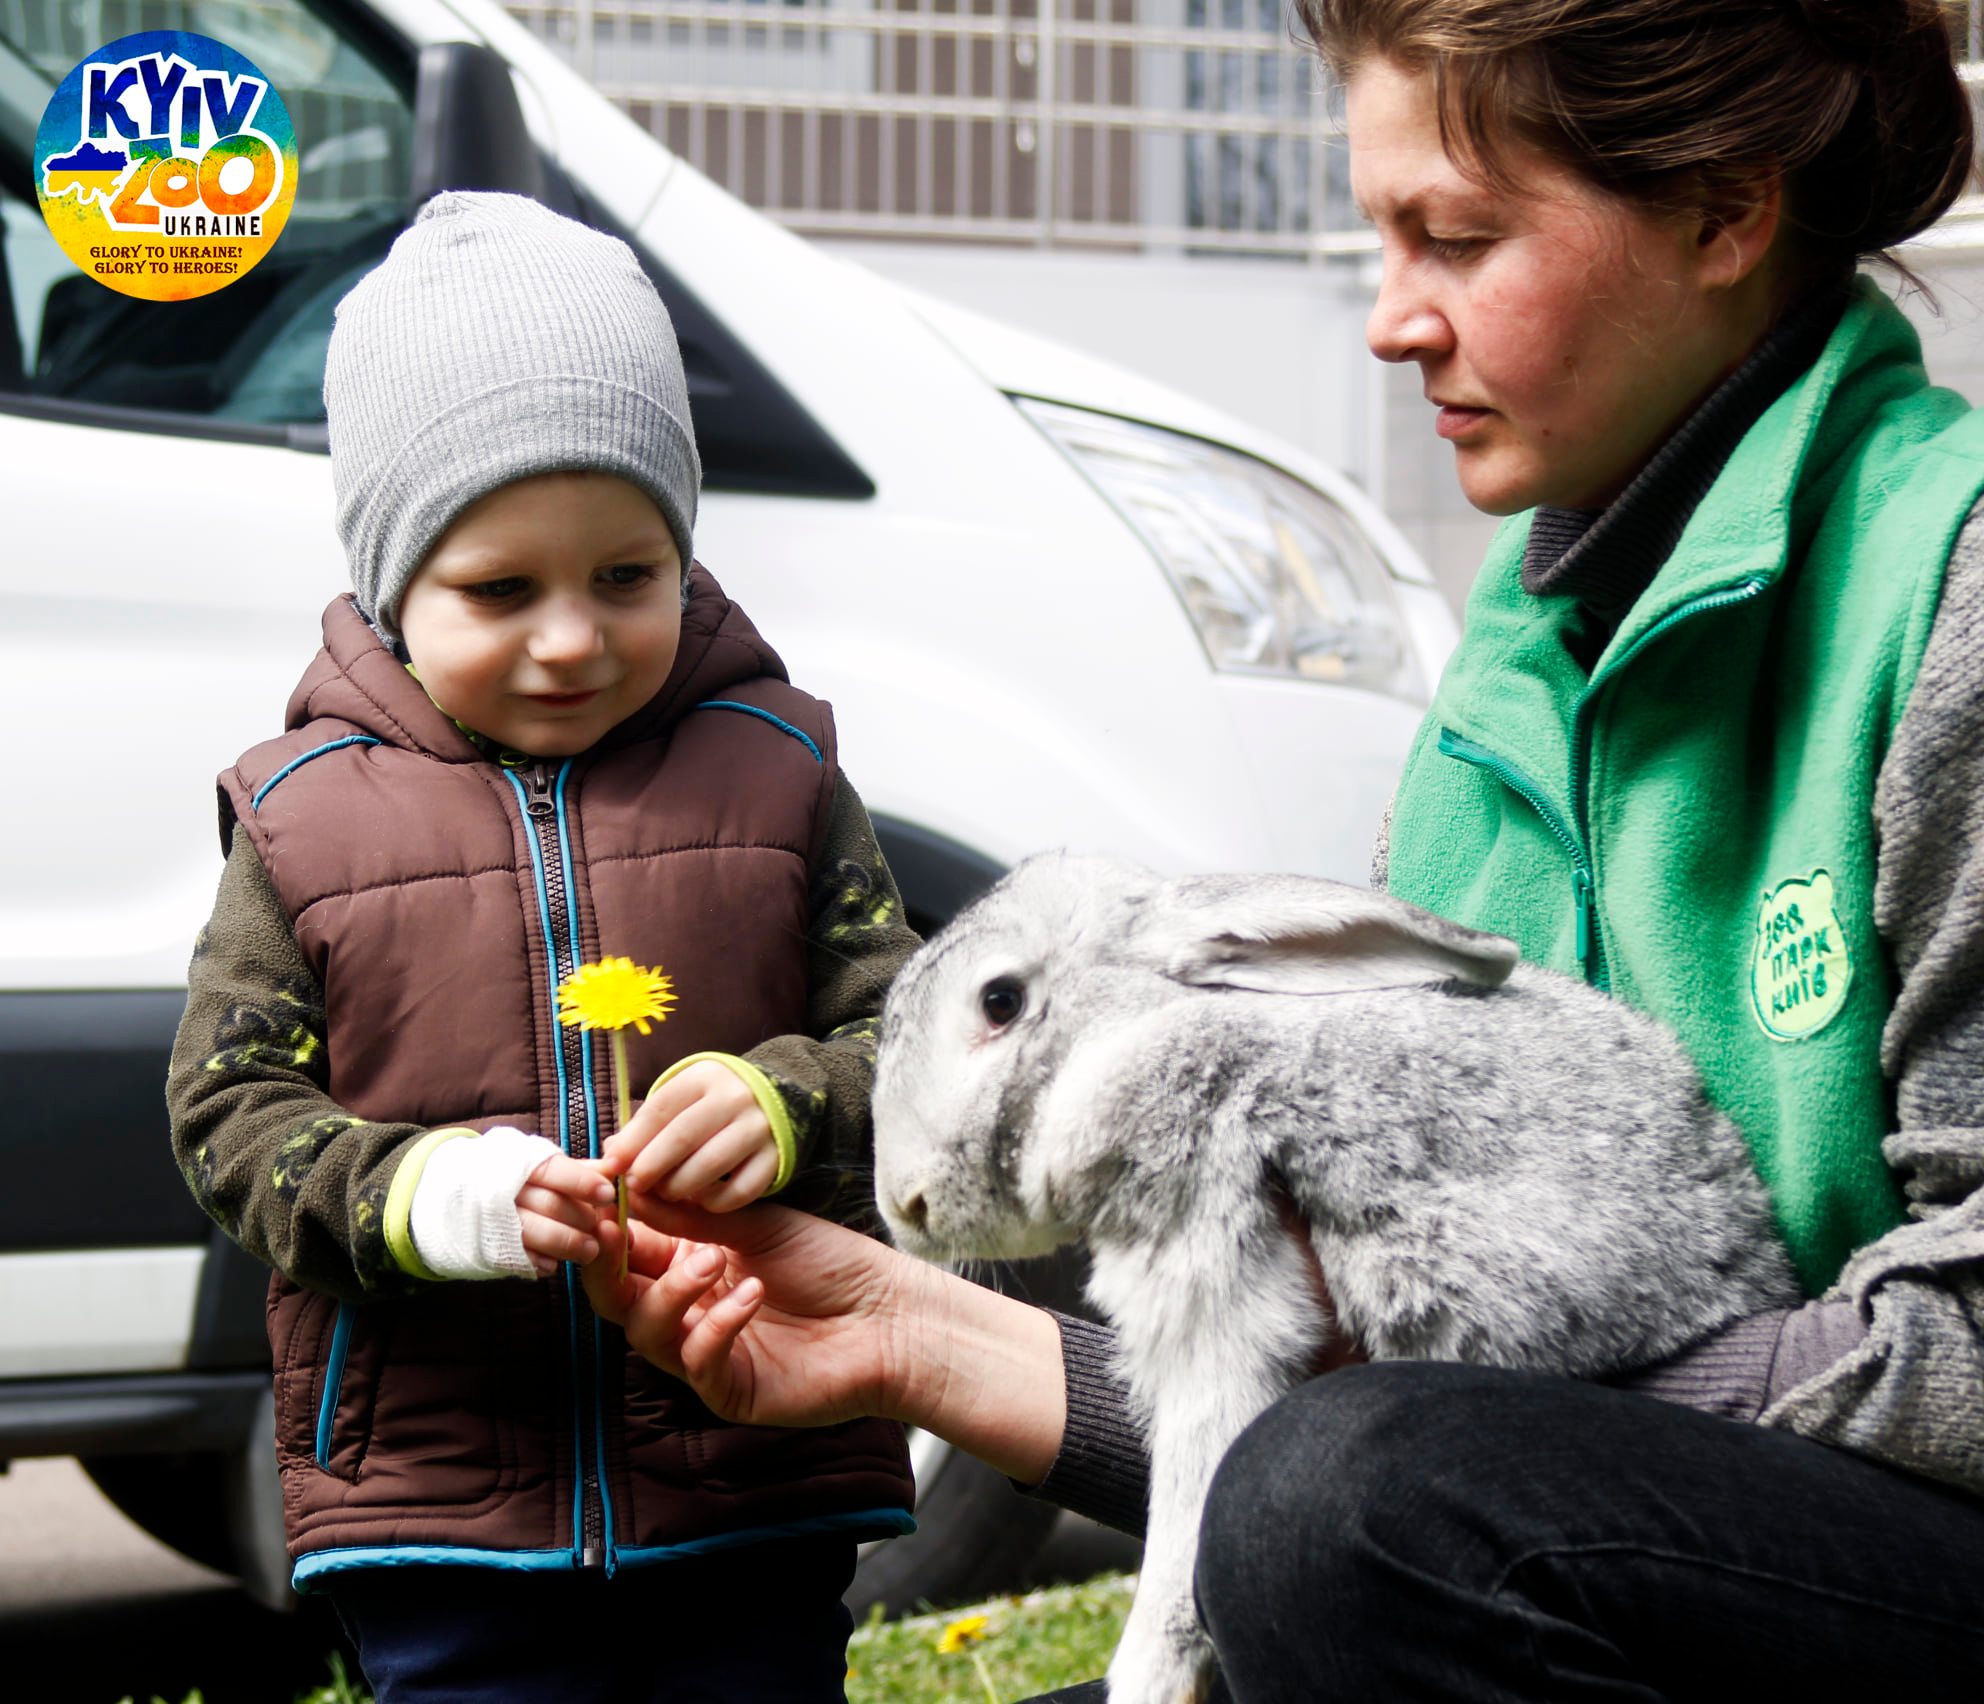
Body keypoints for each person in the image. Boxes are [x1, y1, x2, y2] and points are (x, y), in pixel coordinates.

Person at [584, 0, 1984, 1695]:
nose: (1395, 319)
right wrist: (903, 1329)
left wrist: (1508, 1402)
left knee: (1343, 1499)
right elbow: (1338, 1400)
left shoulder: (1950, 595)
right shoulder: (1514, 676)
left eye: (1455, 239)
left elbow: (1953, 1356)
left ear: (1725, 211)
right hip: (1575, 1544)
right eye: (1378, 235)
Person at [165, 191, 922, 1703]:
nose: (572, 638)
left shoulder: (776, 775)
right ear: (392, 582)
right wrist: (428, 1196)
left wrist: (787, 1102)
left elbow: (913, 1039)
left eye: (627, 577)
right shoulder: (306, 821)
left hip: (749, 1474)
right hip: (441, 1506)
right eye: (501, 590)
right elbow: (229, 1117)